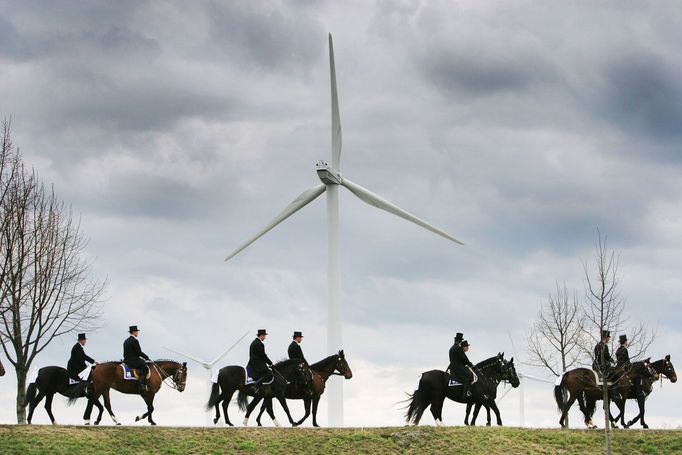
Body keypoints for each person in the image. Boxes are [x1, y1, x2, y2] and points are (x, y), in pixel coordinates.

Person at [593, 330, 621, 400]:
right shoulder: (604, 346)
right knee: (616, 375)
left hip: (596, 365)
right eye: (608, 338)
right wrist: (613, 361)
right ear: (605, 337)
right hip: (602, 366)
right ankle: (615, 394)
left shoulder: (597, 345)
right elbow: (607, 356)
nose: (608, 339)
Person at [123, 325, 151, 393]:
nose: (137, 333)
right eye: (137, 332)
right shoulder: (134, 340)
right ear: (134, 332)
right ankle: (141, 385)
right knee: (145, 368)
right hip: (133, 360)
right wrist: (147, 357)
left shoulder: (126, 341)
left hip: (126, 360)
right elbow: (139, 352)